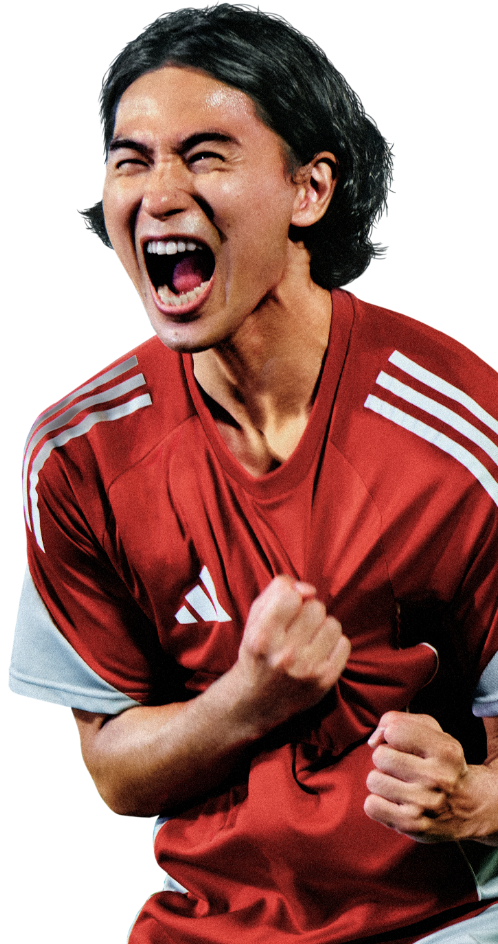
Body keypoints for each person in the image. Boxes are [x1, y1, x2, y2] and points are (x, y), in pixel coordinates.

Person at [9, 6, 497, 943]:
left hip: (443, 921)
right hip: (205, 925)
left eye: (205, 156)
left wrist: (471, 799)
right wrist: (250, 698)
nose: (160, 193)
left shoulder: (466, 431)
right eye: (131, 160)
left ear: (309, 189)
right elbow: (113, 774)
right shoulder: (76, 451)